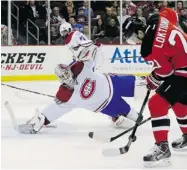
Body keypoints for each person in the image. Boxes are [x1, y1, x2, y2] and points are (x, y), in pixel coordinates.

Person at [20, 22, 145, 134]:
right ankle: (119, 117)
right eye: (63, 77)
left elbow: (95, 54)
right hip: (107, 105)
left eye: (66, 73)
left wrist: (90, 46)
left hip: (114, 83)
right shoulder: (67, 95)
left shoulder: (80, 67)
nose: (66, 77)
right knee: (137, 118)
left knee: (144, 85)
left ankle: (163, 95)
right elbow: (56, 109)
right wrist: (41, 119)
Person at [123, 7, 187, 167]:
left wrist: (152, 79)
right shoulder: (158, 17)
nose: (135, 42)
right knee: (178, 102)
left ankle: (162, 148)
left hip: (183, 71)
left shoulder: (148, 49)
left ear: (138, 33)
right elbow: (172, 13)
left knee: (156, 103)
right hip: (183, 67)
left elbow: (165, 71)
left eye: (132, 38)